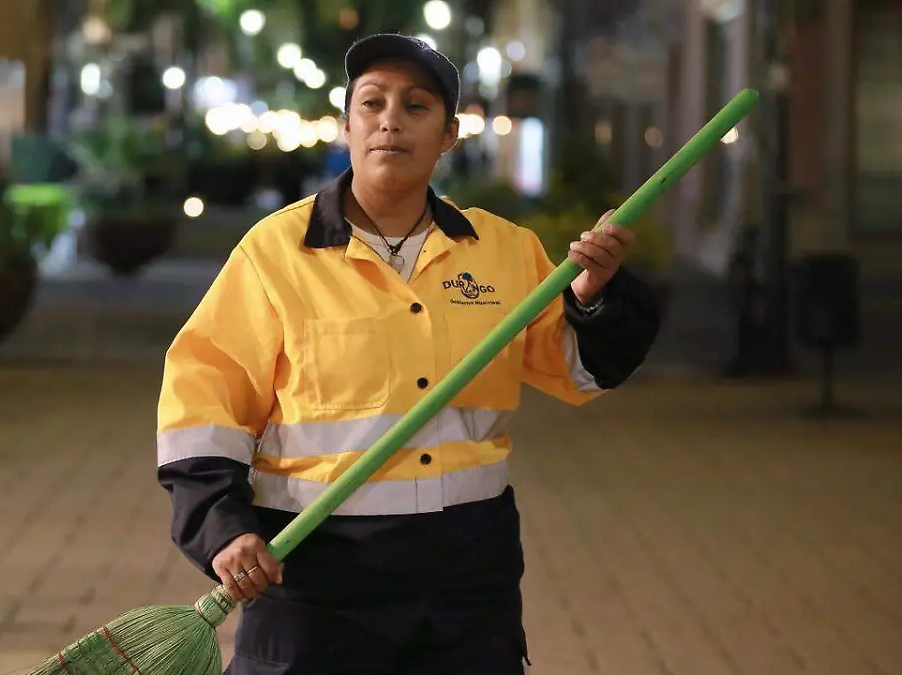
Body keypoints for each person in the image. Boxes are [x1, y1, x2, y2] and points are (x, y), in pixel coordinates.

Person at [156, 33, 661, 675]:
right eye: (372, 103)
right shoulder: (274, 254)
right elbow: (205, 394)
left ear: (449, 134)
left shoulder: (504, 252)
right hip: (319, 572)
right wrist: (221, 526)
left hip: (467, 578)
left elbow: (582, 371)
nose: (390, 120)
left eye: (416, 106)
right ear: (347, 125)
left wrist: (593, 296)